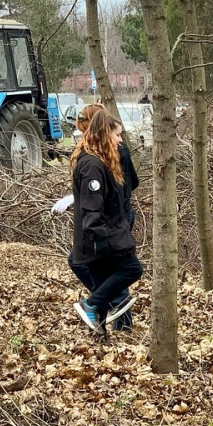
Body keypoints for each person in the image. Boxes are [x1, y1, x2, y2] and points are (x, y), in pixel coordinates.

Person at [59, 104, 139, 330]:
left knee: (107, 276)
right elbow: (94, 201)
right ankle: (100, 309)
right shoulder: (92, 162)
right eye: (117, 135)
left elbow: (118, 188)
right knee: (121, 273)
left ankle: (105, 316)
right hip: (104, 228)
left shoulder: (107, 155)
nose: (120, 140)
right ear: (105, 132)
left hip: (112, 224)